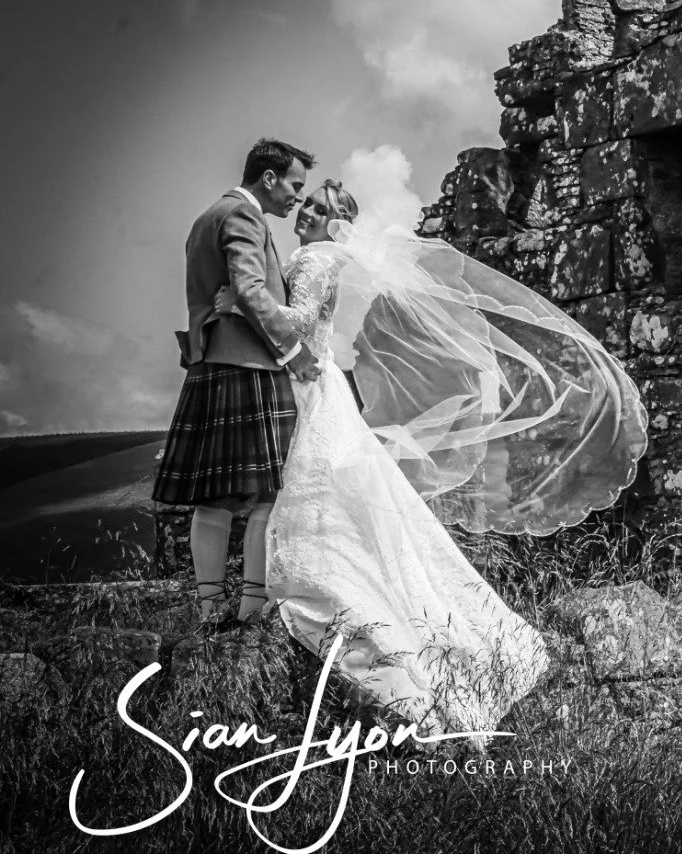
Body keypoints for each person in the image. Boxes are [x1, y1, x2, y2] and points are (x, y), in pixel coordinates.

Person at [219, 179, 648, 739]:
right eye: (306, 205)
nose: (308, 214)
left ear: (338, 221)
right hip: (320, 384)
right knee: (346, 494)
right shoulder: (331, 254)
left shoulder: (313, 257)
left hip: (308, 382)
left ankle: (312, 596)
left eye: (321, 209)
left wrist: (238, 306)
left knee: (313, 484)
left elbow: (295, 324)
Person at [152, 138, 322, 627]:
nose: (296, 196)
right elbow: (249, 288)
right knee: (268, 495)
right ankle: (250, 610)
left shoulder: (206, 216)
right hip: (248, 367)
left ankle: (209, 612)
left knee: (215, 498)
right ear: (268, 179)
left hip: (212, 366)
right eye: (295, 184)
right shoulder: (244, 216)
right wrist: (292, 351)